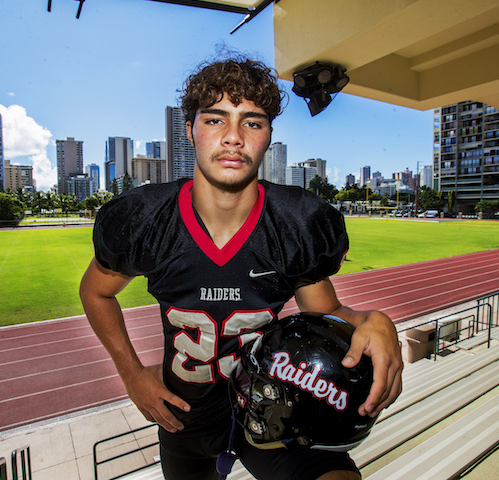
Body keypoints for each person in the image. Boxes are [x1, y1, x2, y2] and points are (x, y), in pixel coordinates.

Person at [79, 55, 403, 480]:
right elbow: (96, 291)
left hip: (270, 411)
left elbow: (326, 313)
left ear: (268, 136)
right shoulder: (148, 219)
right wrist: (132, 374)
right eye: (215, 119)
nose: (233, 137)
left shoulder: (295, 224)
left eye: (252, 122)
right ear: (190, 129)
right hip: (183, 419)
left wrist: (378, 322)